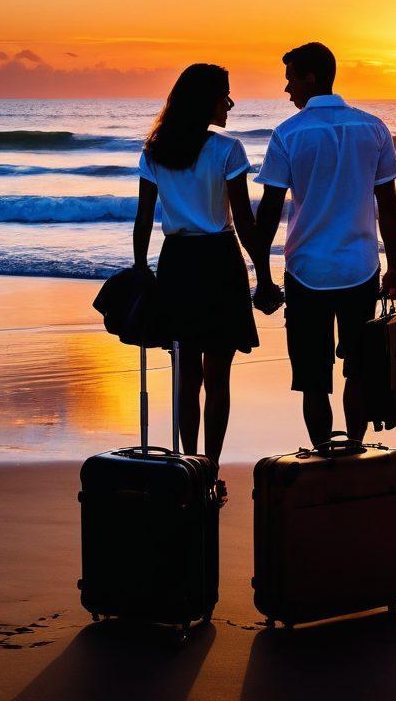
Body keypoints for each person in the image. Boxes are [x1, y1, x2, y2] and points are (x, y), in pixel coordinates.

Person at [133, 64, 275, 501]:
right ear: (206, 100)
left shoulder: (155, 151)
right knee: (218, 376)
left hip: (177, 262)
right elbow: (246, 224)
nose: (229, 104)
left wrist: (141, 269)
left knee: (186, 373)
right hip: (218, 262)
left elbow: (143, 220)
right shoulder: (227, 150)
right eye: (224, 95)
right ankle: (210, 467)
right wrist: (264, 278)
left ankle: (187, 467)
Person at [253, 42, 396, 447]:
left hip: (307, 269)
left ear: (311, 78)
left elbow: (269, 210)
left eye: (291, 80)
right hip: (360, 266)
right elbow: (388, 205)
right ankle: (354, 449)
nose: (287, 89)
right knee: (359, 369)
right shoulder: (372, 128)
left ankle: (323, 457)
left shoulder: (288, 134)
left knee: (313, 379)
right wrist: (393, 268)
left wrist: (263, 275)